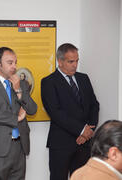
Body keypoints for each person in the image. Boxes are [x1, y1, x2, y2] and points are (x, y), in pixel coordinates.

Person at [41, 43, 100, 180]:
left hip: (84, 144)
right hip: (61, 143)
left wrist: (87, 132)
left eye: (77, 61)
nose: (75, 65)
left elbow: (94, 105)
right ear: (60, 62)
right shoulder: (48, 82)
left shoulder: (83, 78)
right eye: (71, 61)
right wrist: (81, 130)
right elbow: (56, 113)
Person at [0, 47, 37, 180]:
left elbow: (33, 110)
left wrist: (19, 91)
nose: (14, 66)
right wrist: (18, 117)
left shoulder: (21, 84)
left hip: (20, 146)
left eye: (15, 62)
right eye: (10, 63)